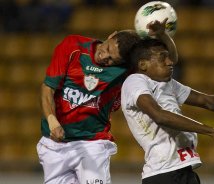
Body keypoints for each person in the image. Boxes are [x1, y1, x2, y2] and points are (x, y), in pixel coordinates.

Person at [37, 19, 176, 184]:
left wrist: (163, 36)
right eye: (108, 48)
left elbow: (169, 62)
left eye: (112, 60)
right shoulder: (73, 46)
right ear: (112, 35)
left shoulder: (128, 69)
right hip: (54, 145)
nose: (104, 56)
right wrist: (52, 121)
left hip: (92, 142)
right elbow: (48, 89)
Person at [121, 38, 214, 184]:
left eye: (169, 57)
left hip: (183, 171)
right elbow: (159, 115)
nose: (170, 62)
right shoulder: (135, 81)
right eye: (163, 58)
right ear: (143, 64)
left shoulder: (167, 84)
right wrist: (213, 132)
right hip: (164, 174)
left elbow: (206, 101)